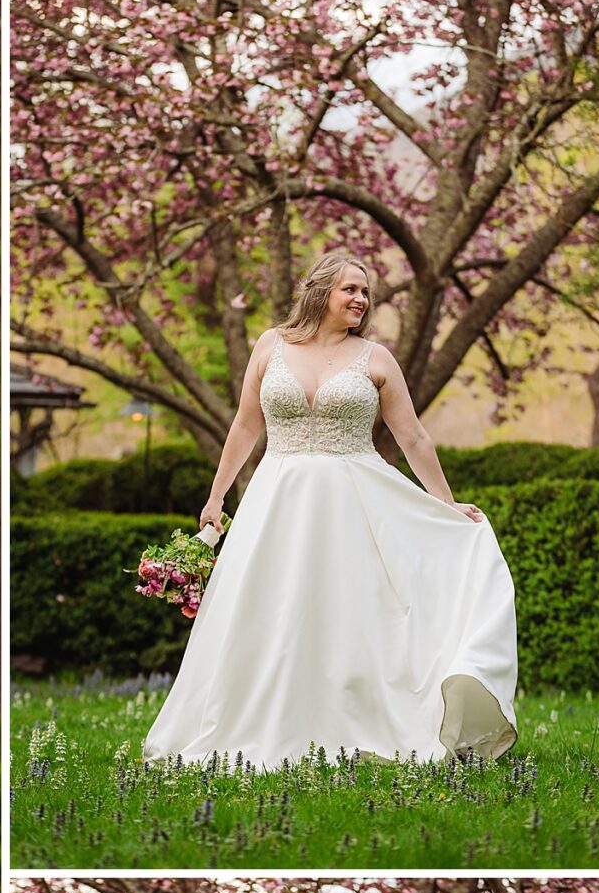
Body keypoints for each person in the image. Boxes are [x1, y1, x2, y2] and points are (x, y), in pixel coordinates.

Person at [142, 249, 518, 769]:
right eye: (351, 289)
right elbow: (246, 426)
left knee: (351, 613)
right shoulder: (269, 345)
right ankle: (259, 724)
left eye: (366, 292)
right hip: (277, 501)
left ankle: (356, 721)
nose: (362, 299)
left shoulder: (377, 359)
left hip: (353, 502)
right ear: (320, 292)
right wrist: (216, 496)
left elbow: (412, 436)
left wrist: (447, 505)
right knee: (268, 610)